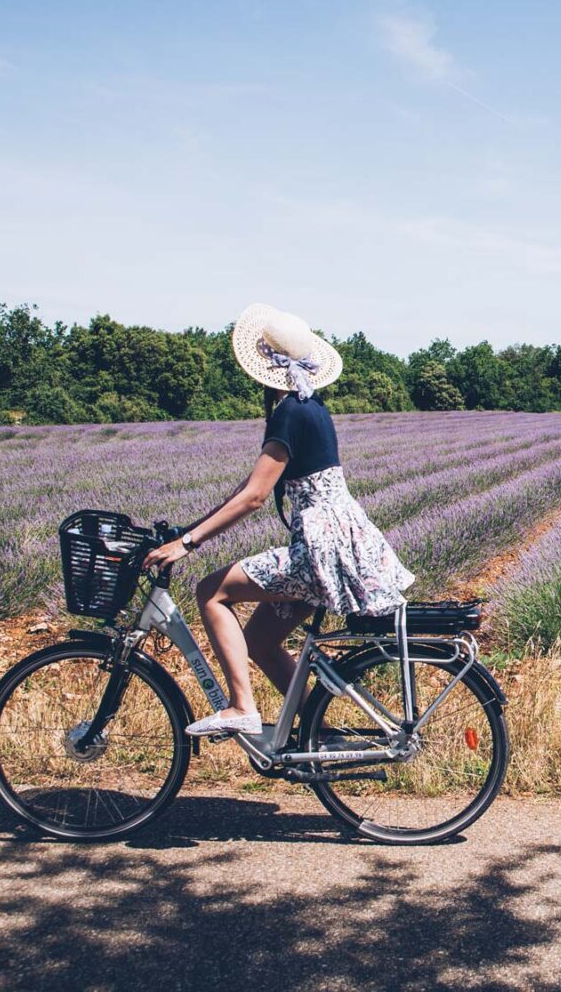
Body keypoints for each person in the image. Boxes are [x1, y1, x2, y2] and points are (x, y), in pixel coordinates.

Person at [143, 303, 415, 736]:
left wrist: (188, 545)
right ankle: (315, 731)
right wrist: (189, 529)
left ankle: (241, 707)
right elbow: (247, 487)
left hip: (317, 551)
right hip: (336, 547)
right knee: (260, 642)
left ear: (265, 368)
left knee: (210, 592)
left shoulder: (288, 412)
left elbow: (253, 497)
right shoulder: (312, 407)